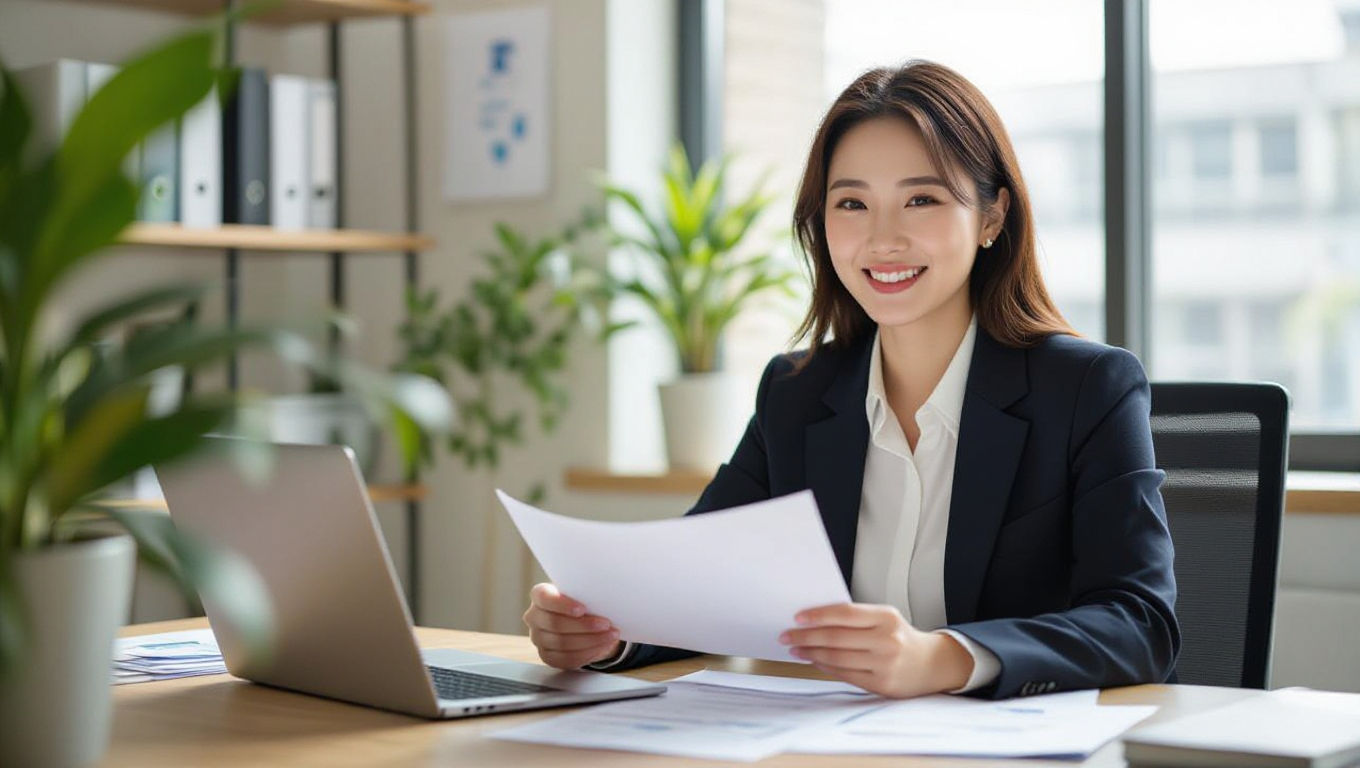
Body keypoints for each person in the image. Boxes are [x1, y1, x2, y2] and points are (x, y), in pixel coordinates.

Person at [522, 60, 1179, 700]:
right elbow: (698, 587)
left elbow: (1139, 623)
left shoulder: (1088, 387)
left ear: (991, 217)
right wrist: (607, 635)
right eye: (852, 204)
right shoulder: (798, 394)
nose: (882, 239)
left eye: (921, 199)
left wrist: (943, 658)